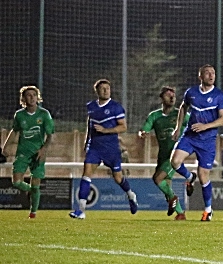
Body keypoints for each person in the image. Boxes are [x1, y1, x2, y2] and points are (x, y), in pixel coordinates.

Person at [70, 79, 138, 219]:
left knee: (118, 178)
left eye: (108, 88)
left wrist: (105, 130)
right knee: (86, 174)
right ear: (97, 91)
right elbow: (90, 122)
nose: (106, 90)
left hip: (111, 149)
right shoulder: (91, 106)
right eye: (103, 88)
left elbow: (123, 127)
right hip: (95, 147)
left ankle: (131, 195)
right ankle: (81, 210)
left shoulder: (116, 107)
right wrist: (86, 140)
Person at [170, 65, 223, 222]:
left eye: (213, 73)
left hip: (208, 141)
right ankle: (190, 177)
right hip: (190, 136)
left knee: (204, 176)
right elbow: (183, 107)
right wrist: (178, 127)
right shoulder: (191, 92)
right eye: (207, 73)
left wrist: (205, 126)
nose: (211, 75)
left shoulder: (219, 95)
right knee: (175, 161)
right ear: (200, 76)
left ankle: (208, 210)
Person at [1, 86, 54, 219]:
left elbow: (50, 135)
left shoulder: (44, 114)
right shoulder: (19, 115)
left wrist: (44, 149)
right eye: (28, 95)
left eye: (34, 95)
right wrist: (5, 146)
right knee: (17, 182)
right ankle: (33, 191)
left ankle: (33, 213)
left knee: (36, 182)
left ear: (38, 97)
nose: (31, 97)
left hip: (38, 153)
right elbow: (15, 131)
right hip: (23, 152)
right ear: (23, 99)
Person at [138, 86, 189, 220]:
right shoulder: (155, 116)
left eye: (173, 95)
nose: (172, 97)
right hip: (162, 156)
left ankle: (173, 198)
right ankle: (180, 214)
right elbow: (145, 128)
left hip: (175, 155)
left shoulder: (181, 114)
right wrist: (143, 132)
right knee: (166, 186)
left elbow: (195, 124)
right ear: (161, 98)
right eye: (168, 95)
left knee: (157, 179)